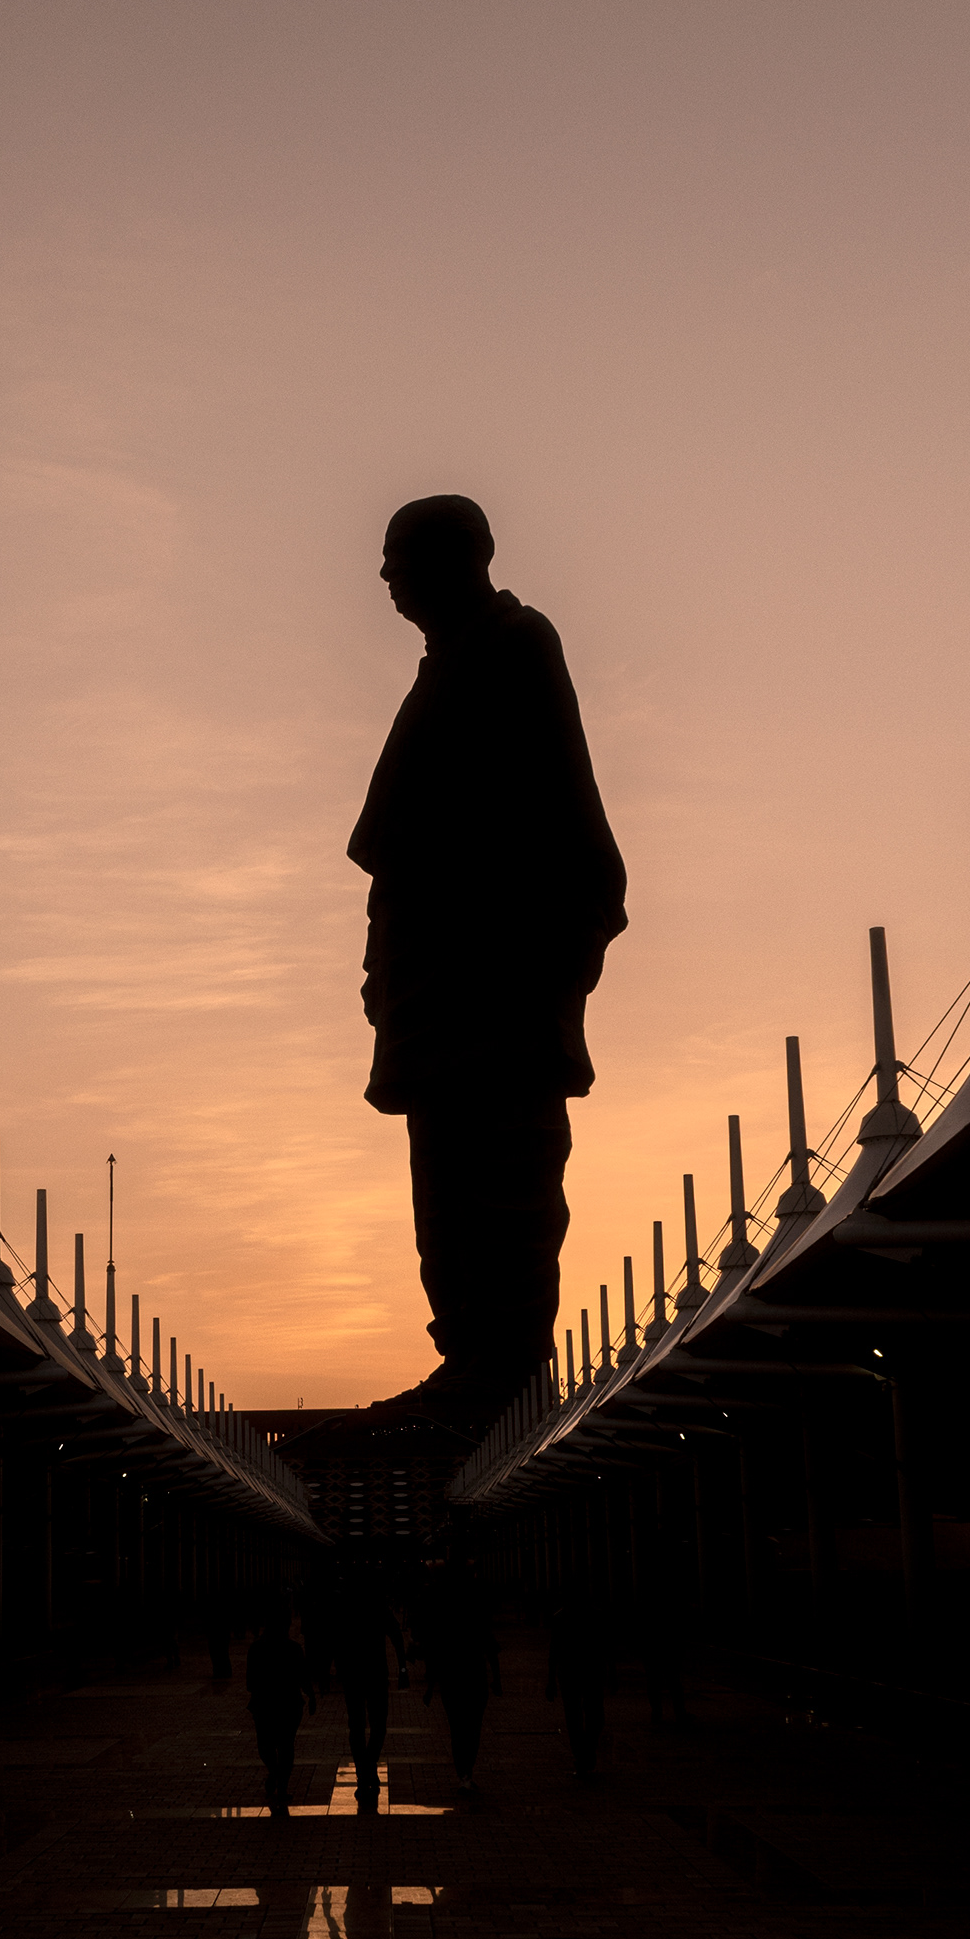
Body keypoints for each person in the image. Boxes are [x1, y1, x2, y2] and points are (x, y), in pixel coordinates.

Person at [348, 495, 627, 1422]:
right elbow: (403, 849)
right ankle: (471, 1353)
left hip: (493, 977)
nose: (384, 576)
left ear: (453, 557)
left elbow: (550, 815)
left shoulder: (511, 647)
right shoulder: (448, 668)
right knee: (446, 1185)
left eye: (398, 556)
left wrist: (550, 951)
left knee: (500, 1174)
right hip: (438, 983)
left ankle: (502, 1363)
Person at [328, 1566, 406, 1811]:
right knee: (379, 1725)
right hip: (376, 1673)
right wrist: (402, 1667)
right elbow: (396, 1635)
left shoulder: (344, 1609)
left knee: (356, 1726)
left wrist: (329, 1670)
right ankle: (369, 1766)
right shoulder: (377, 1608)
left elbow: (334, 1640)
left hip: (352, 1674)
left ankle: (364, 1771)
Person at [421, 1582, 496, 1797]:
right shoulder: (478, 1624)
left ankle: (463, 1773)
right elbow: (491, 1651)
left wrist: (430, 1688)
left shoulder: (445, 1626)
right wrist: (497, 1680)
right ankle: (467, 1773)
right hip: (474, 1681)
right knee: (472, 1729)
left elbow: (436, 1659)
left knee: (457, 1730)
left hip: (452, 1683)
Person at [245, 1606, 310, 1818]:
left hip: (265, 1704)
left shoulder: (257, 1649)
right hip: (289, 1703)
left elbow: (250, 1682)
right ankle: (279, 1779)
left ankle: (277, 1778)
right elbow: (302, 1677)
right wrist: (312, 1695)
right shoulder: (293, 1649)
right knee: (285, 1745)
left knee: (266, 1744)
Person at [546, 1588, 608, 1782]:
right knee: (586, 1714)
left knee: (584, 1716)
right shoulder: (564, 1618)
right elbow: (554, 1649)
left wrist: (550, 1680)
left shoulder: (588, 1617)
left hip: (581, 1671)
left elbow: (605, 1646)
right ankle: (584, 1754)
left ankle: (584, 1753)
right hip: (582, 1671)